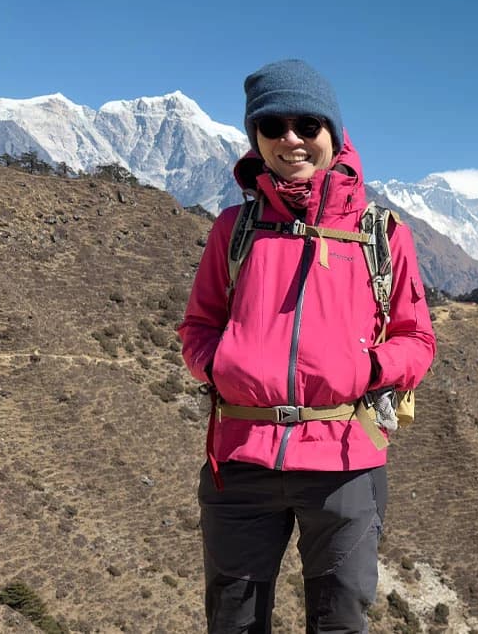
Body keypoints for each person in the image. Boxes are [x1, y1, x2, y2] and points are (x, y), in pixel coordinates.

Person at [178, 59, 437, 633]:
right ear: (256, 139)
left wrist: (369, 367)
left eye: (307, 124)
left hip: (345, 458)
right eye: (272, 126)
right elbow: (197, 326)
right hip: (241, 459)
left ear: (334, 134)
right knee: (233, 624)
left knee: (340, 622)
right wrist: (220, 365)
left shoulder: (382, 233)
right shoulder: (234, 229)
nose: (290, 139)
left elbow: (417, 338)